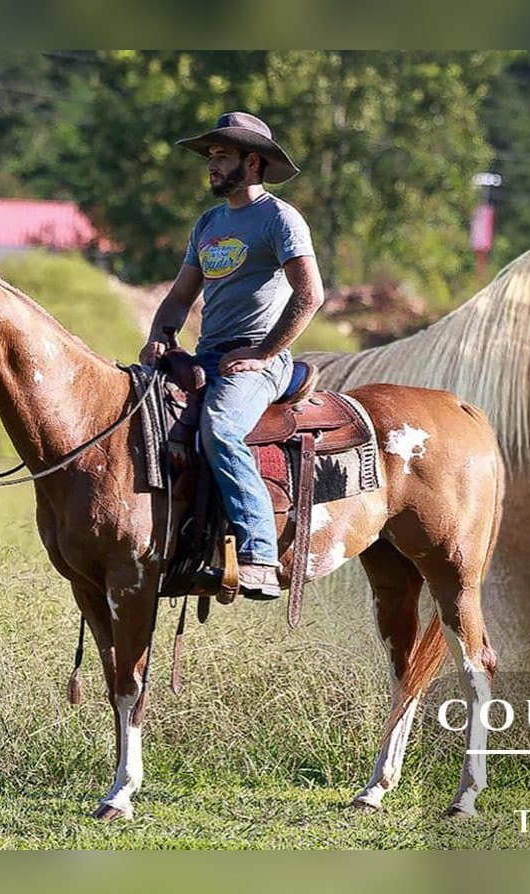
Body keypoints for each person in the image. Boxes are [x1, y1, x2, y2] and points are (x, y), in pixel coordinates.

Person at [140, 112, 324, 600]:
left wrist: (263, 352)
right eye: (211, 155)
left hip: (262, 359)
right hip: (209, 355)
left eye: (222, 155)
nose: (212, 164)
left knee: (221, 427)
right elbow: (180, 297)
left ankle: (259, 554)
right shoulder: (209, 223)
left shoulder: (280, 219)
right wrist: (161, 335)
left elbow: (310, 294)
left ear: (253, 161)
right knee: (141, 413)